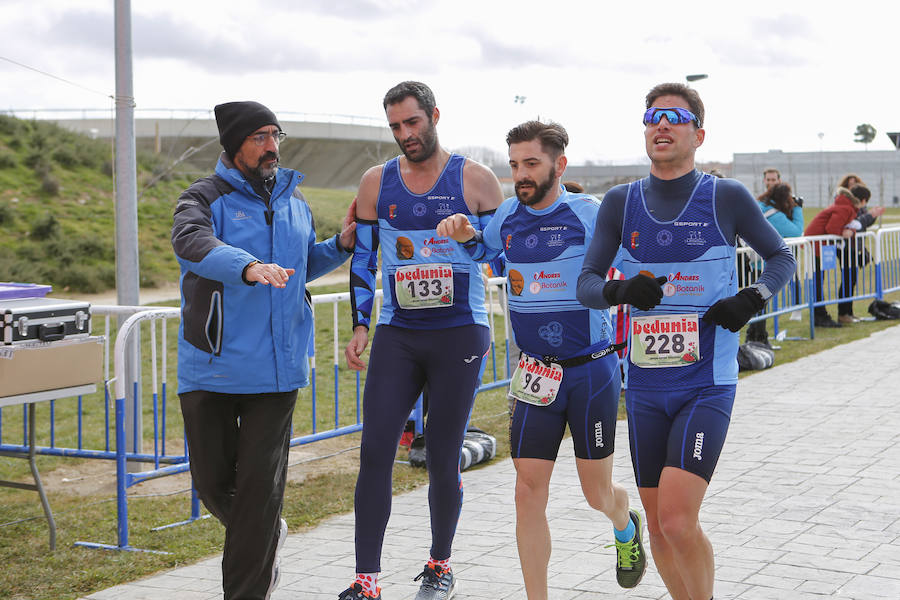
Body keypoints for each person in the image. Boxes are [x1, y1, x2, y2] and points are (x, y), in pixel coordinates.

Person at [576, 83, 795, 600]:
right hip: (647, 388)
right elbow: (586, 285)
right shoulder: (620, 202)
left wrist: (751, 298)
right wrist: (620, 289)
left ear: (699, 133)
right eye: (652, 117)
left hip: (706, 383)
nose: (661, 125)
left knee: (676, 520)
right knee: (655, 526)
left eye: (674, 117)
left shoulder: (726, 196)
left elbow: (782, 258)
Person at [437, 121, 648, 599]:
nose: (520, 175)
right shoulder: (508, 214)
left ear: (559, 164)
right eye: (514, 165)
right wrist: (463, 233)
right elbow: (483, 252)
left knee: (597, 494)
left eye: (531, 164)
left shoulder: (589, 213)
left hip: (591, 371)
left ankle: (625, 523)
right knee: (527, 492)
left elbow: (636, 261)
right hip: (535, 372)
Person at [171, 101, 356, 600]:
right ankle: (265, 530)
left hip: (277, 372)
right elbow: (189, 241)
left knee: (257, 494)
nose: (271, 145)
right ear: (232, 145)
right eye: (258, 137)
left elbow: (298, 265)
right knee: (212, 485)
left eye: (275, 134)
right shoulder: (203, 198)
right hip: (210, 367)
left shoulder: (296, 201)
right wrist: (248, 264)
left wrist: (339, 244)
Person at [342, 81, 503, 600]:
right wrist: (361, 324)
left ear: (434, 116)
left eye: (412, 123)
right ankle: (366, 579)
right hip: (400, 332)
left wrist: (470, 238)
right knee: (374, 450)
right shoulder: (376, 183)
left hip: (459, 330)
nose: (405, 135)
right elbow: (365, 259)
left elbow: (502, 261)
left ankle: (440, 565)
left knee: (441, 451)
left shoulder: (477, 181)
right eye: (395, 127)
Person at [745, 182, 804, 343]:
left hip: (753, 263)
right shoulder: (775, 216)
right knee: (761, 300)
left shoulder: (758, 207)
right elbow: (796, 231)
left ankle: (755, 335)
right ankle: (757, 337)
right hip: (766, 267)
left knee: (757, 300)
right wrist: (798, 208)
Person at [803, 184, 870, 327]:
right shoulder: (846, 208)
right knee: (817, 281)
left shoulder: (843, 206)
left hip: (819, 245)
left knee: (819, 280)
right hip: (816, 245)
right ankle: (820, 316)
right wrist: (845, 233)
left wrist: (849, 230)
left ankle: (821, 314)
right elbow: (832, 228)